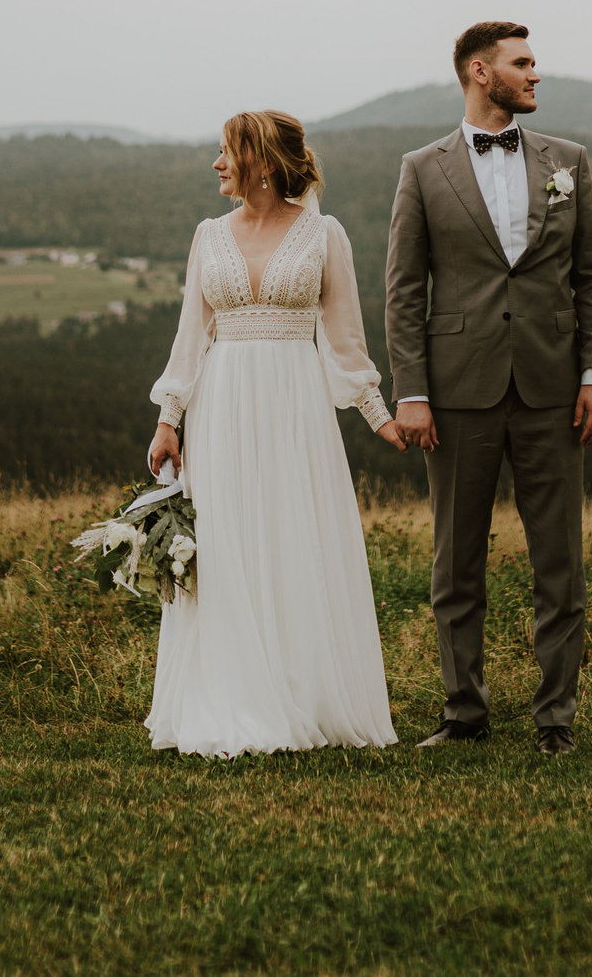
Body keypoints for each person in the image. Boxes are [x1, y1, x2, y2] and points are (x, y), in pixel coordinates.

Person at [143, 110, 409, 756]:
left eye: (226, 152)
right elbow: (191, 336)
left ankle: (302, 689)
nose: (216, 164)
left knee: (294, 534)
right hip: (224, 402)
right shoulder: (208, 235)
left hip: (296, 406)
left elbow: (344, 340)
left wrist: (380, 416)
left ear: (262, 160)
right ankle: (233, 693)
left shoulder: (325, 235)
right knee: (230, 542)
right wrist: (169, 417)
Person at [384, 22, 592, 757]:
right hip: (456, 393)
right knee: (456, 562)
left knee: (561, 562)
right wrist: (411, 390)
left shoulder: (568, 160)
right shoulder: (422, 169)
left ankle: (556, 720)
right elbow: (402, 292)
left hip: (553, 387)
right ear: (481, 72)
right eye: (523, 63)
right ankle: (464, 713)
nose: (535, 74)